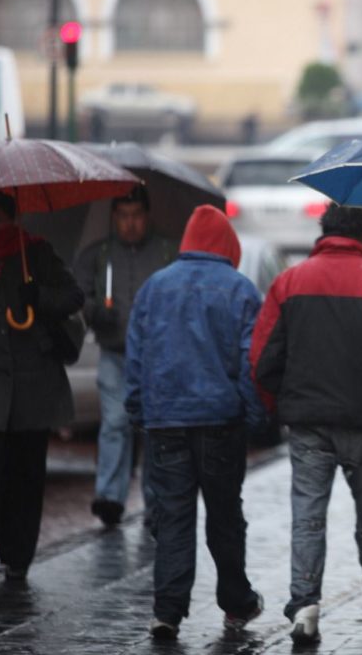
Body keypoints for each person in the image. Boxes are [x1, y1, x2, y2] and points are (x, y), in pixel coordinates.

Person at [250, 205, 362, 645]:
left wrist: (279, 404)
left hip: (306, 421)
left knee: (307, 514)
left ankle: (304, 603)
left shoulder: (289, 282)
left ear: (323, 231)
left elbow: (262, 359)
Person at [124, 205, 265, 639]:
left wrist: (137, 409)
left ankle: (167, 611)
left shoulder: (154, 287)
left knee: (173, 519)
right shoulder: (241, 290)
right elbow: (250, 361)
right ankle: (236, 603)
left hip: (165, 422)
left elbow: (136, 356)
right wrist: (254, 413)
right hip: (221, 422)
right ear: (227, 247)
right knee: (225, 517)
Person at [0, 190, 84, 581]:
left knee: (26, 478)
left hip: (33, 389)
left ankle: (18, 555)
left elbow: (73, 296)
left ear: (14, 220)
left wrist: (39, 296)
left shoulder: (37, 254)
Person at [74, 187, 177, 527]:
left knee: (153, 429)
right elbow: (78, 295)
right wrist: (93, 312)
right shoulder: (98, 254)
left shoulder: (167, 253)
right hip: (115, 354)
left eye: (136, 216)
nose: (130, 224)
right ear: (113, 218)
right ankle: (110, 496)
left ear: (146, 216)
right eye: (123, 216)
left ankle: (155, 499)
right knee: (115, 423)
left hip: (157, 359)